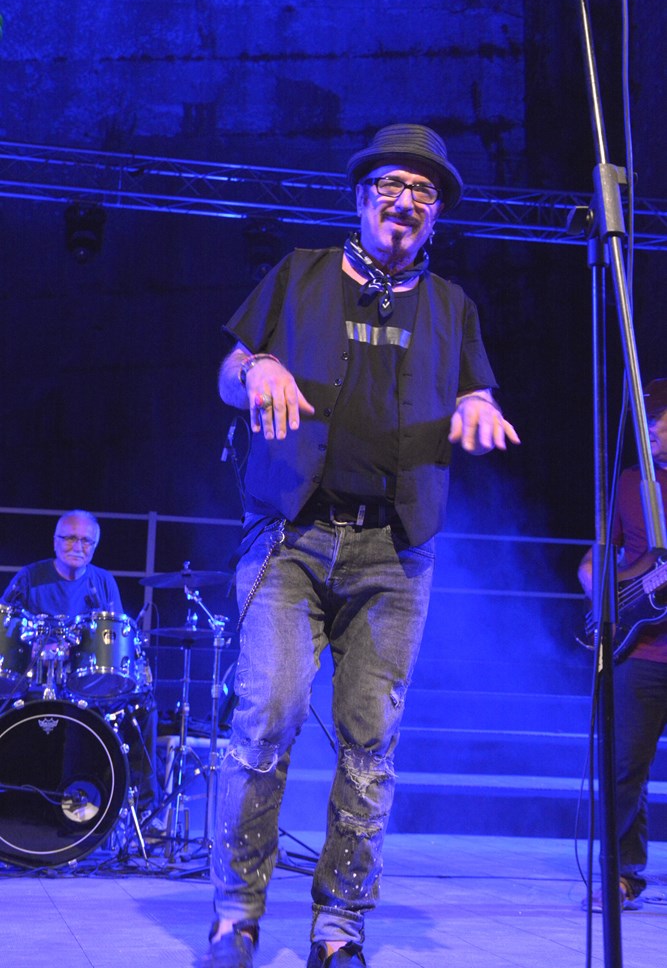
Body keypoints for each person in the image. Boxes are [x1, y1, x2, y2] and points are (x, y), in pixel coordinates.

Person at [210, 123, 520, 968]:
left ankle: (338, 926)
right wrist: (258, 371)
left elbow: (477, 391)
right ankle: (236, 915)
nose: (406, 199)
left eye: (423, 190)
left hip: (395, 551)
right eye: (391, 183)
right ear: (360, 197)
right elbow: (230, 372)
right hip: (291, 536)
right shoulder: (299, 274)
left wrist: (479, 406)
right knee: (268, 715)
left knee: (369, 741)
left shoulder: (451, 306)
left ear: (435, 214)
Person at [1, 509, 161, 826]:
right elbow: (6, 629)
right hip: (34, 683)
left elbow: (113, 640)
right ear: (55, 541)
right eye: (70, 538)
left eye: (86, 541)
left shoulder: (103, 582)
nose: (78, 546)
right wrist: (38, 646)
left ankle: (144, 813)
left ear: (95, 545)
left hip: (84, 684)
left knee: (144, 709)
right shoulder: (30, 577)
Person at [578, 378, 667, 912]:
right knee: (625, 768)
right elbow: (594, 561)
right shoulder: (632, 482)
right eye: (648, 419)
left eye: (660, 419)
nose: (651, 428)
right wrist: (607, 603)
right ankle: (622, 875)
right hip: (641, 652)